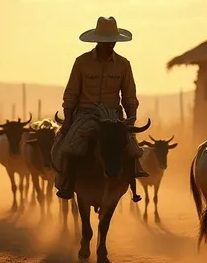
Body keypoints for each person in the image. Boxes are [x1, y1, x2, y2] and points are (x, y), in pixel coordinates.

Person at [52, 16, 149, 201]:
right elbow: (71, 93)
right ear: (97, 41)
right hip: (86, 114)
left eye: (112, 41)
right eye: (105, 41)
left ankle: (132, 184)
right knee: (70, 147)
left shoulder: (124, 64)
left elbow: (129, 96)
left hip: (114, 116)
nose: (109, 45)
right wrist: (68, 121)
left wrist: (131, 120)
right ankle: (67, 183)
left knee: (132, 149)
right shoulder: (81, 62)